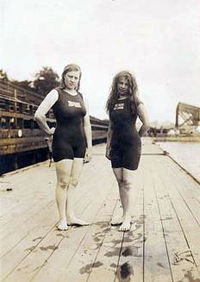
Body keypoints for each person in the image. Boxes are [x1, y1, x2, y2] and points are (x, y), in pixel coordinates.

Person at [35, 64, 92, 231]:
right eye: (70, 77)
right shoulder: (56, 93)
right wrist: (48, 131)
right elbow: (39, 115)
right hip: (62, 141)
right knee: (63, 181)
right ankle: (62, 219)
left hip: (79, 143)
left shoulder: (81, 96)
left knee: (74, 182)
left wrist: (89, 147)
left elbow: (86, 124)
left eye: (76, 78)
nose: (73, 80)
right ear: (64, 77)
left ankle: (71, 216)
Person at [106, 70, 149, 232]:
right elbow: (110, 127)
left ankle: (128, 218)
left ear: (131, 86)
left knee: (128, 182)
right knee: (120, 181)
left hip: (131, 145)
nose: (123, 87)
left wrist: (136, 137)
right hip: (116, 146)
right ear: (116, 84)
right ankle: (124, 215)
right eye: (120, 83)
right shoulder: (112, 103)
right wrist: (107, 146)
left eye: (126, 84)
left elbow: (147, 124)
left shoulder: (136, 102)